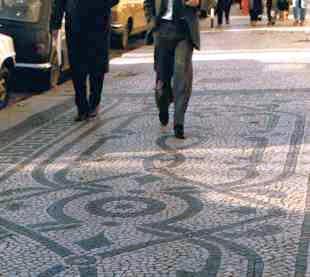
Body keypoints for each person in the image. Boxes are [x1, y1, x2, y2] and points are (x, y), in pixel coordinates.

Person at [50, 0, 119, 121]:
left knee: (97, 69)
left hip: (98, 25)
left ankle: (94, 104)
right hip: (75, 25)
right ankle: (81, 108)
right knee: (77, 69)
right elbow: (59, 2)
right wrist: (55, 24)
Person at [144, 0, 201, 139]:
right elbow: (148, 3)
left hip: (184, 31)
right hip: (162, 30)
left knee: (181, 74)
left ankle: (178, 122)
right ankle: (162, 105)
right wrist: (151, 21)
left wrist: (199, 2)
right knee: (162, 79)